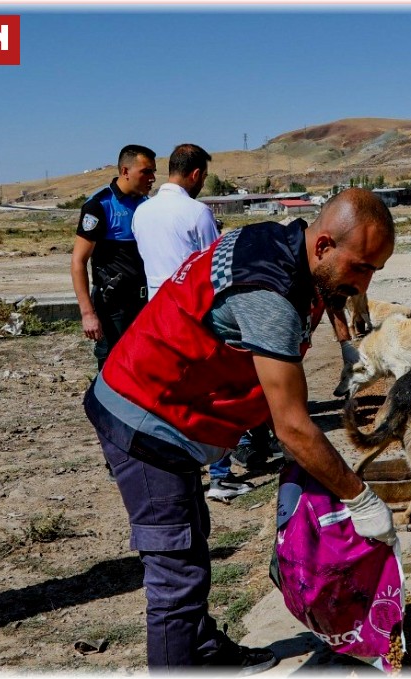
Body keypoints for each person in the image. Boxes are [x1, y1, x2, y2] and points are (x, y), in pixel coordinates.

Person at [84, 188, 397, 671]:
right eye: (360, 267)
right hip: (145, 416)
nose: (364, 284)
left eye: (374, 270)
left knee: (190, 540)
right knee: (175, 572)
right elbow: (291, 426)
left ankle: (203, 649)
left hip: (170, 407)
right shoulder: (270, 295)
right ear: (323, 246)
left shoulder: (281, 242)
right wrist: (360, 498)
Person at [130, 143, 257, 501]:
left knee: (168, 394)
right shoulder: (197, 212)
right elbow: (218, 267)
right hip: (194, 314)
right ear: (197, 174)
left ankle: (176, 470)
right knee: (211, 393)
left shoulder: (143, 212)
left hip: (156, 314)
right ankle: (220, 475)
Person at [71, 144, 157, 370]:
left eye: (153, 172)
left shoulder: (147, 204)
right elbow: (78, 262)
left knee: (142, 363)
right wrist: (88, 313)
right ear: (126, 171)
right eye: (146, 172)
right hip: (113, 306)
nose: (152, 178)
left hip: (143, 303)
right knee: (112, 366)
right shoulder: (100, 205)